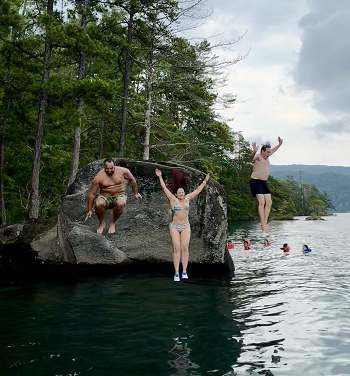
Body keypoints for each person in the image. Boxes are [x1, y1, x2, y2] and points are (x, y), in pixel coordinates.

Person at [155, 168, 209, 282]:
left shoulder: (188, 198)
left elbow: (198, 190)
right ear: (176, 194)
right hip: (174, 226)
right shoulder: (173, 199)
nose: (181, 194)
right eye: (179, 192)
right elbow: (164, 188)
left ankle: (184, 271)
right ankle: (176, 273)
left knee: (185, 248)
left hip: (185, 226)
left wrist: (205, 180)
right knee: (176, 248)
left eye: (182, 192)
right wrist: (159, 176)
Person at [85, 159, 142, 233]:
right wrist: (89, 210)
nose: (109, 170)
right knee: (98, 204)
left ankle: (112, 222)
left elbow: (132, 180)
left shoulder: (124, 171)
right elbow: (92, 194)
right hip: (105, 196)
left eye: (111, 168)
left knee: (120, 203)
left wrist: (135, 192)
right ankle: (102, 223)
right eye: (107, 169)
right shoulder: (99, 176)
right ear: (104, 167)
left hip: (119, 195)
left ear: (114, 166)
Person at [249, 136, 283, 232]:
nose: (269, 153)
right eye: (267, 152)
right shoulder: (258, 156)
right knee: (262, 202)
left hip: (264, 182)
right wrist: (254, 151)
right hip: (255, 181)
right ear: (262, 151)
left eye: (269, 152)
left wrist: (280, 144)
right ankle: (263, 224)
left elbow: (273, 151)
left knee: (269, 202)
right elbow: (250, 159)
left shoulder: (266, 156)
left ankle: (264, 223)